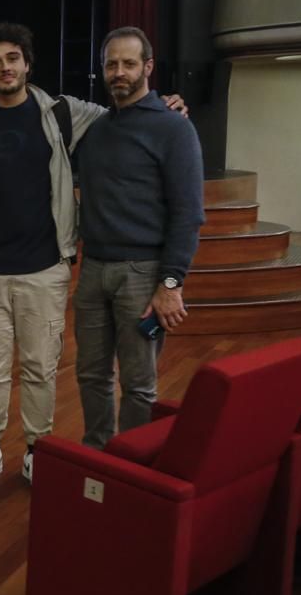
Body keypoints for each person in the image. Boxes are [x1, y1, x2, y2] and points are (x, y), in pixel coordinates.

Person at [0, 23, 189, 487]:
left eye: (13, 58)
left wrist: (165, 106)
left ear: (27, 63)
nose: (6, 67)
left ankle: (37, 450)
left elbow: (129, 111)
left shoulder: (65, 113)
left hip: (45, 267)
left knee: (42, 367)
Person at [75, 26, 204, 449]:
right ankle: (98, 456)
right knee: (91, 374)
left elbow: (188, 214)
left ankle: (130, 468)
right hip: (92, 271)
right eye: (111, 64)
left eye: (129, 63)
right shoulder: (96, 129)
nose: (119, 72)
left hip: (142, 274)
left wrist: (170, 283)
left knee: (138, 383)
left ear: (147, 67)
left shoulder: (175, 129)